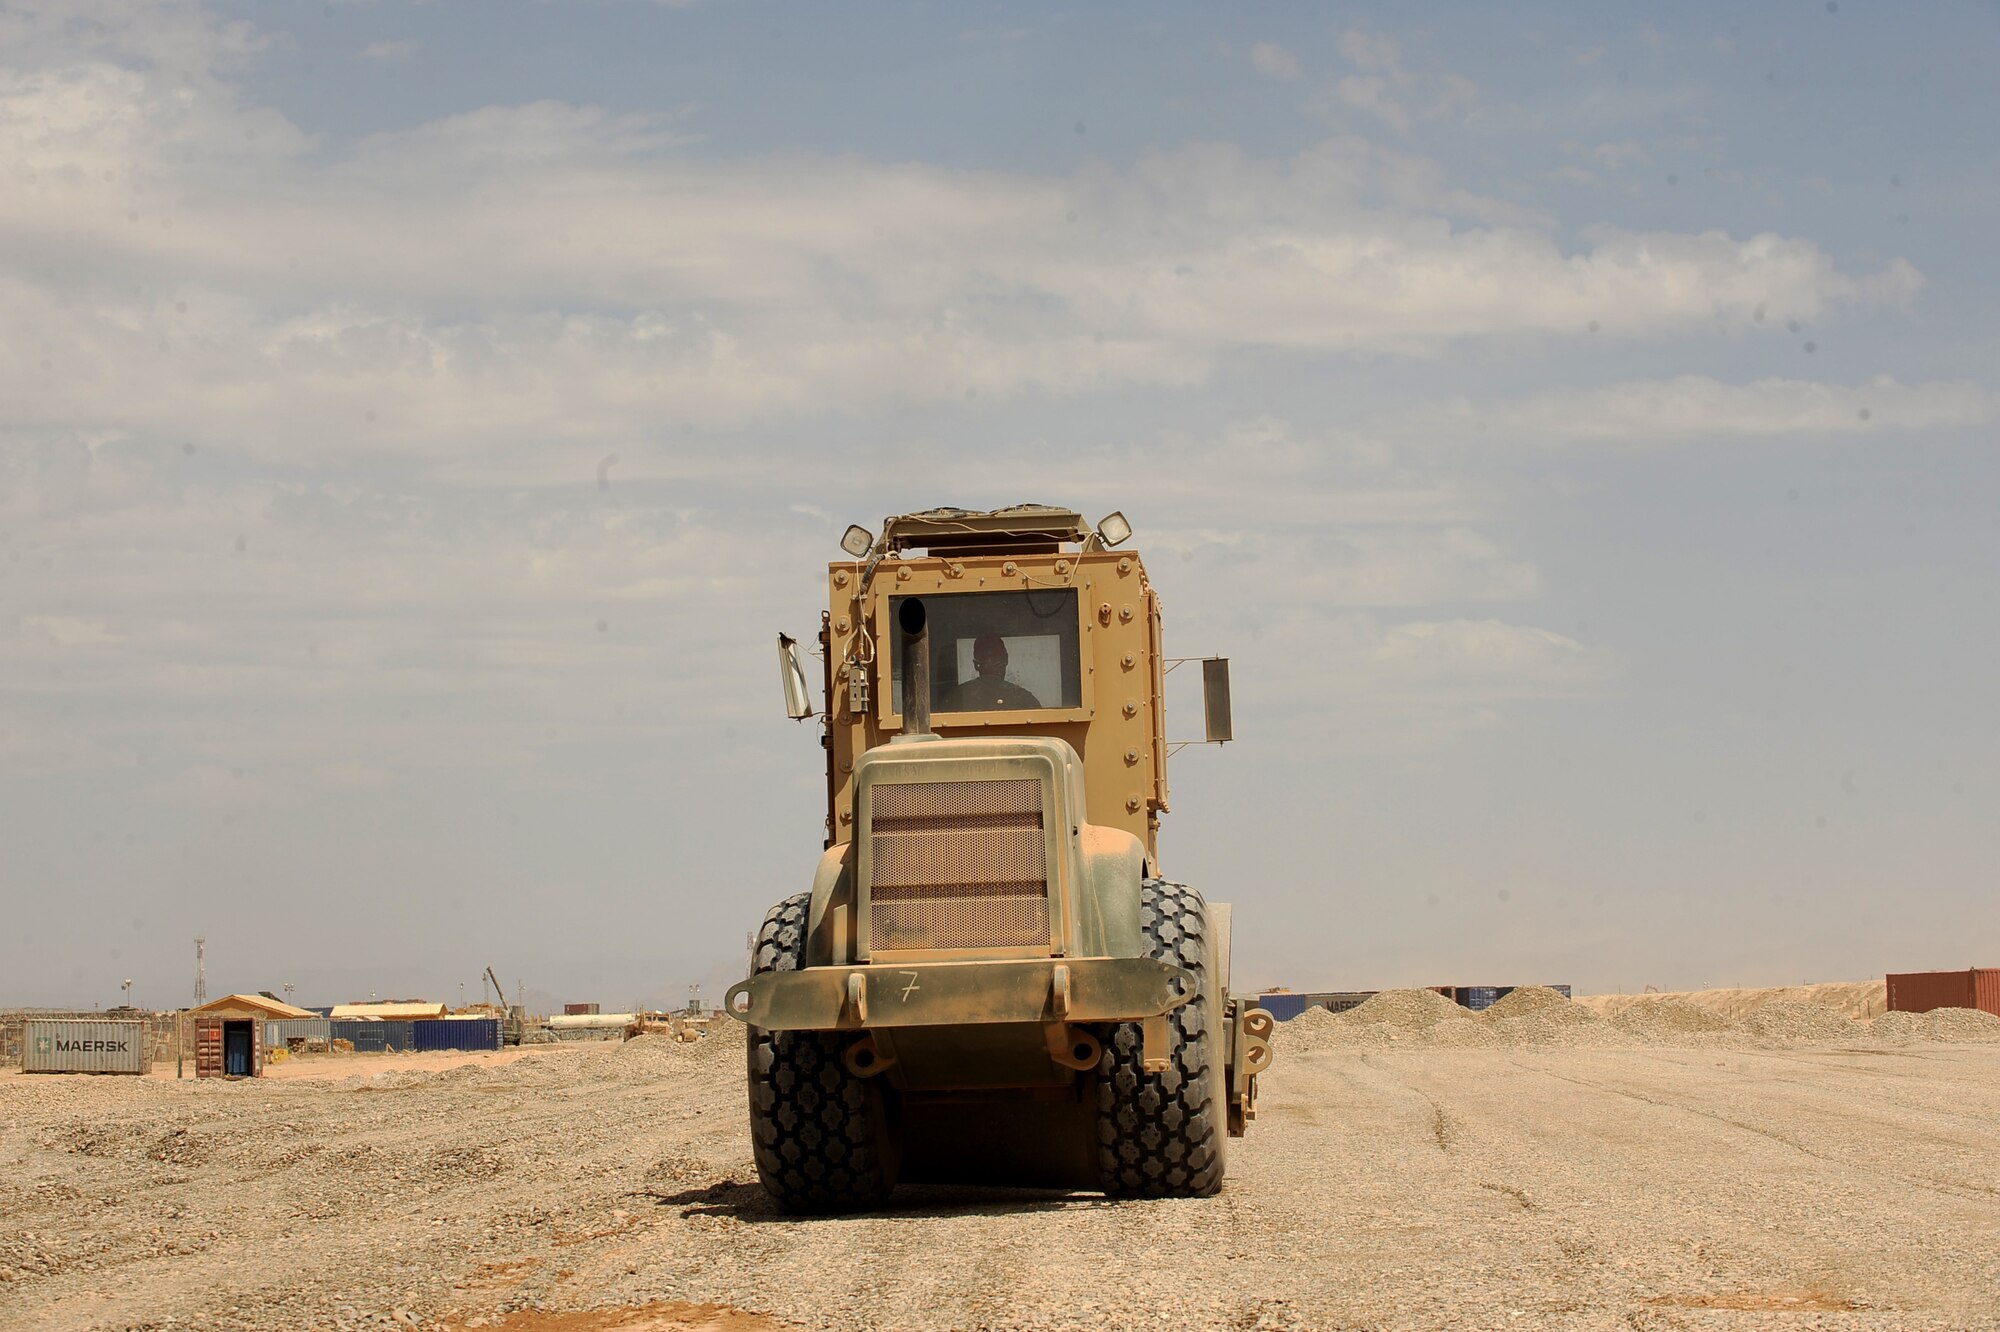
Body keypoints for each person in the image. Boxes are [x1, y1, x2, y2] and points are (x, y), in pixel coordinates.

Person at [939, 634, 1041, 711]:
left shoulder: (955, 698)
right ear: (1006, 660)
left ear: (976, 664)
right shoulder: (1024, 699)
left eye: (994, 656)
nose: (990, 661)